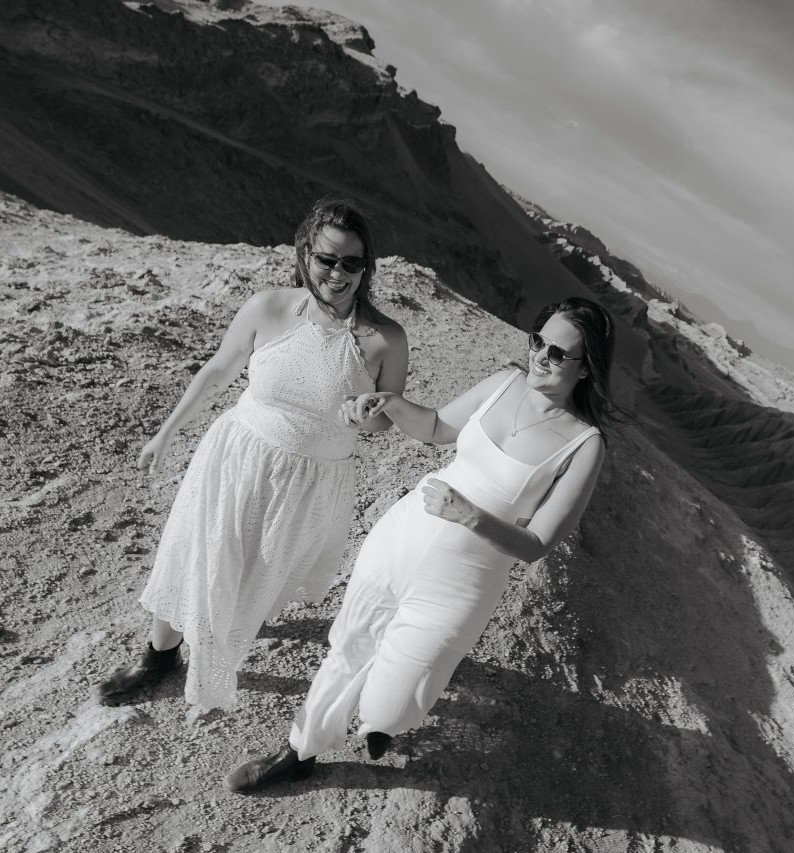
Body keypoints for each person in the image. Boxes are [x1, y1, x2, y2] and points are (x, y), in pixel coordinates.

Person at [224, 297, 617, 792]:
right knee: (348, 647)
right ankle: (298, 751)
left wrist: (472, 516)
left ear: (586, 367)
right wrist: (387, 403)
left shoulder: (584, 445)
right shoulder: (503, 383)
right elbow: (435, 427)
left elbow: (538, 543)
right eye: (539, 341)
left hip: (463, 582)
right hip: (401, 539)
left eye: (558, 353)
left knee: (390, 704)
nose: (541, 356)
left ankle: (382, 719)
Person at [93, 199, 409, 711]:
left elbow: (384, 418)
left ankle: (230, 625)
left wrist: (365, 415)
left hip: (309, 480)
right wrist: (166, 434)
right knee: (198, 551)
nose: (338, 274)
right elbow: (217, 372)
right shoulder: (268, 308)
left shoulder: (386, 339)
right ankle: (159, 656)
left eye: (352, 262)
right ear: (304, 254)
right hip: (237, 458)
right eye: (326, 259)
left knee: (257, 571)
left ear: (366, 267)